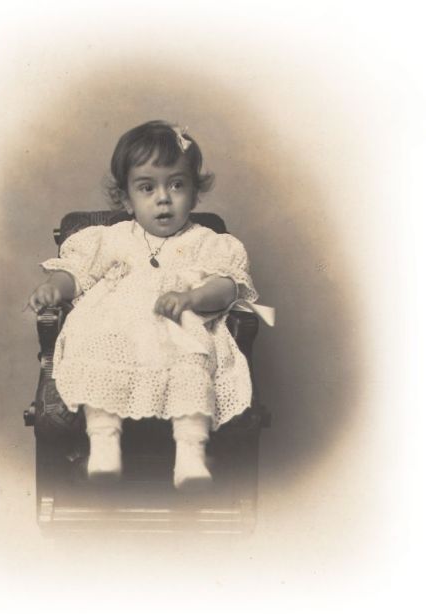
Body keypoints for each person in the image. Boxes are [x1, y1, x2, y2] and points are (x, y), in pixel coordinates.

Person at [28, 120, 267, 491]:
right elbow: (77, 272)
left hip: (177, 328)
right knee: (98, 346)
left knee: (194, 361)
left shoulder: (207, 242)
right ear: (127, 199)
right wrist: (53, 288)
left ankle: (191, 455)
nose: (163, 198)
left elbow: (227, 287)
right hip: (116, 327)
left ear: (194, 193)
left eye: (177, 185)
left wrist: (191, 298)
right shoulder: (112, 238)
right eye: (147, 187)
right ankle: (104, 445)